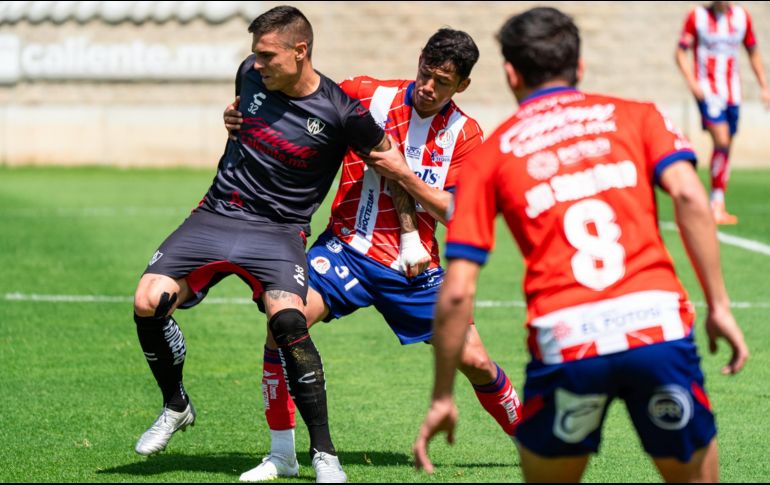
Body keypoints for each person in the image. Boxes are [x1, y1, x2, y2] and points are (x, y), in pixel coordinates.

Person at [414, 6, 749, 483]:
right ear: (580, 66)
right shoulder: (639, 115)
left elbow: (456, 291)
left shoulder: (492, 154)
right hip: (655, 327)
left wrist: (443, 395)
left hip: (569, 339)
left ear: (511, 74)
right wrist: (719, 306)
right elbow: (691, 196)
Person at [224, 29, 523, 483]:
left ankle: (529, 439)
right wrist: (244, 115)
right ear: (418, 60)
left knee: (477, 362)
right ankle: (282, 453)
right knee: (284, 323)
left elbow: (457, 213)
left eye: (442, 82)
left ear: (462, 85)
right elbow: (299, 100)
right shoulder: (366, 94)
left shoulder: (465, 134)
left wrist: (406, 175)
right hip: (345, 249)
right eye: (425, 73)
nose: (428, 87)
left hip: (413, 269)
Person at [131, 6, 413, 483]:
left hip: (279, 230)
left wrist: (409, 234)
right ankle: (176, 405)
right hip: (217, 214)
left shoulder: (343, 112)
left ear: (300, 51)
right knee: (148, 301)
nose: (257, 64)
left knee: (288, 322)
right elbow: (242, 117)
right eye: (255, 55)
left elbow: (393, 163)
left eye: (268, 56)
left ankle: (324, 454)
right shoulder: (249, 73)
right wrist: (230, 119)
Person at [675, 1, 770, 224]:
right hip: (708, 91)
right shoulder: (697, 16)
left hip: (732, 93)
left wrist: (764, 86)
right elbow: (680, 52)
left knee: (726, 146)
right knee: (722, 139)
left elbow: (753, 52)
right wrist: (692, 82)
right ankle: (712, 204)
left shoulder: (742, 17)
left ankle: (717, 201)